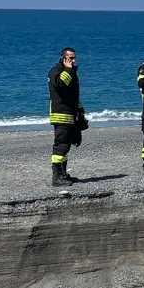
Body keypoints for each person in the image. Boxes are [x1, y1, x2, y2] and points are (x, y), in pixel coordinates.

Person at [47, 47, 88, 187]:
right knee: (61, 146)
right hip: (60, 115)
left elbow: (74, 95)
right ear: (63, 58)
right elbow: (60, 86)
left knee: (67, 145)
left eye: (74, 58)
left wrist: (81, 111)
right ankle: (56, 177)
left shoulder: (71, 72)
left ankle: (63, 174)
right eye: (70, 58)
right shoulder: (55, 71)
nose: (73, 61)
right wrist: (69, 70)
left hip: (71, 114)